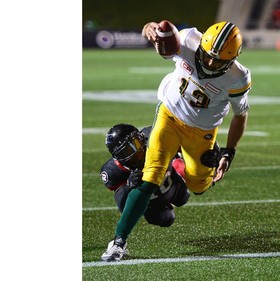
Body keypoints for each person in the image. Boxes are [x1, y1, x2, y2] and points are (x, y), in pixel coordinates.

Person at [101, 21, 252, 261]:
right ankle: (118, 242)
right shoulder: (189, 39)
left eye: (219, 60)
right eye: (208, 56)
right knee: (151, 176)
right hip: (169, 115)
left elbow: (240, 115)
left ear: (232, 60)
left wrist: (229, 152)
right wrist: (149, 27)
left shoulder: (238, 78)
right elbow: (155, 31)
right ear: (201, 45)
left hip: (201, 131)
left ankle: (201, 157)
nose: (211, 63)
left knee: (198, 186)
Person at [100, 123, 190, 261]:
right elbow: (121, 200)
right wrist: (130, 185)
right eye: (126, 152)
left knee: (183, 197)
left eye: (134, 144)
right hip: (151, 202)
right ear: (118, 157)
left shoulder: (152, 135)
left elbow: (184, 138)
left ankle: (177, 165)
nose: (135, 153)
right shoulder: (113, 171)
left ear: (141, 137)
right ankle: (119, 241)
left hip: (171, 182)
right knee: (166, 219)